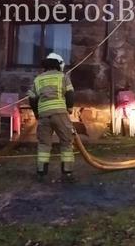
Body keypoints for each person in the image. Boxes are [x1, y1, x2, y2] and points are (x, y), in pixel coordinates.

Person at [28, 52, 76, 182]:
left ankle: (41, 172)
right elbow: (70, 93)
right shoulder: (62, 76)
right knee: (66, 142)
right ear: (58, 66)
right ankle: (67, 172)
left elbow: (32, 99)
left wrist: (37, 114)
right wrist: (70, 107)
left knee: (44, 144)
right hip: (60, 113)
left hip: (44, 115)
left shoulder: (38, 79)